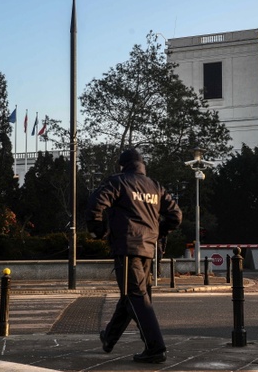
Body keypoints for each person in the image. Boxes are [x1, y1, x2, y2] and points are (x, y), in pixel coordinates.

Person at [86, 148, 182, 364]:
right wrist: (159, 231)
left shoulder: (118, 181)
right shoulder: (154, 186)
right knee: (132, 295)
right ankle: (109, 338)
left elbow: (95, 204)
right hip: (149, 249)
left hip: (127, 247)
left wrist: (98, 230)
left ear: (123, 165)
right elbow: (176, 215)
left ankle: (155, 348)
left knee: (136, 297)